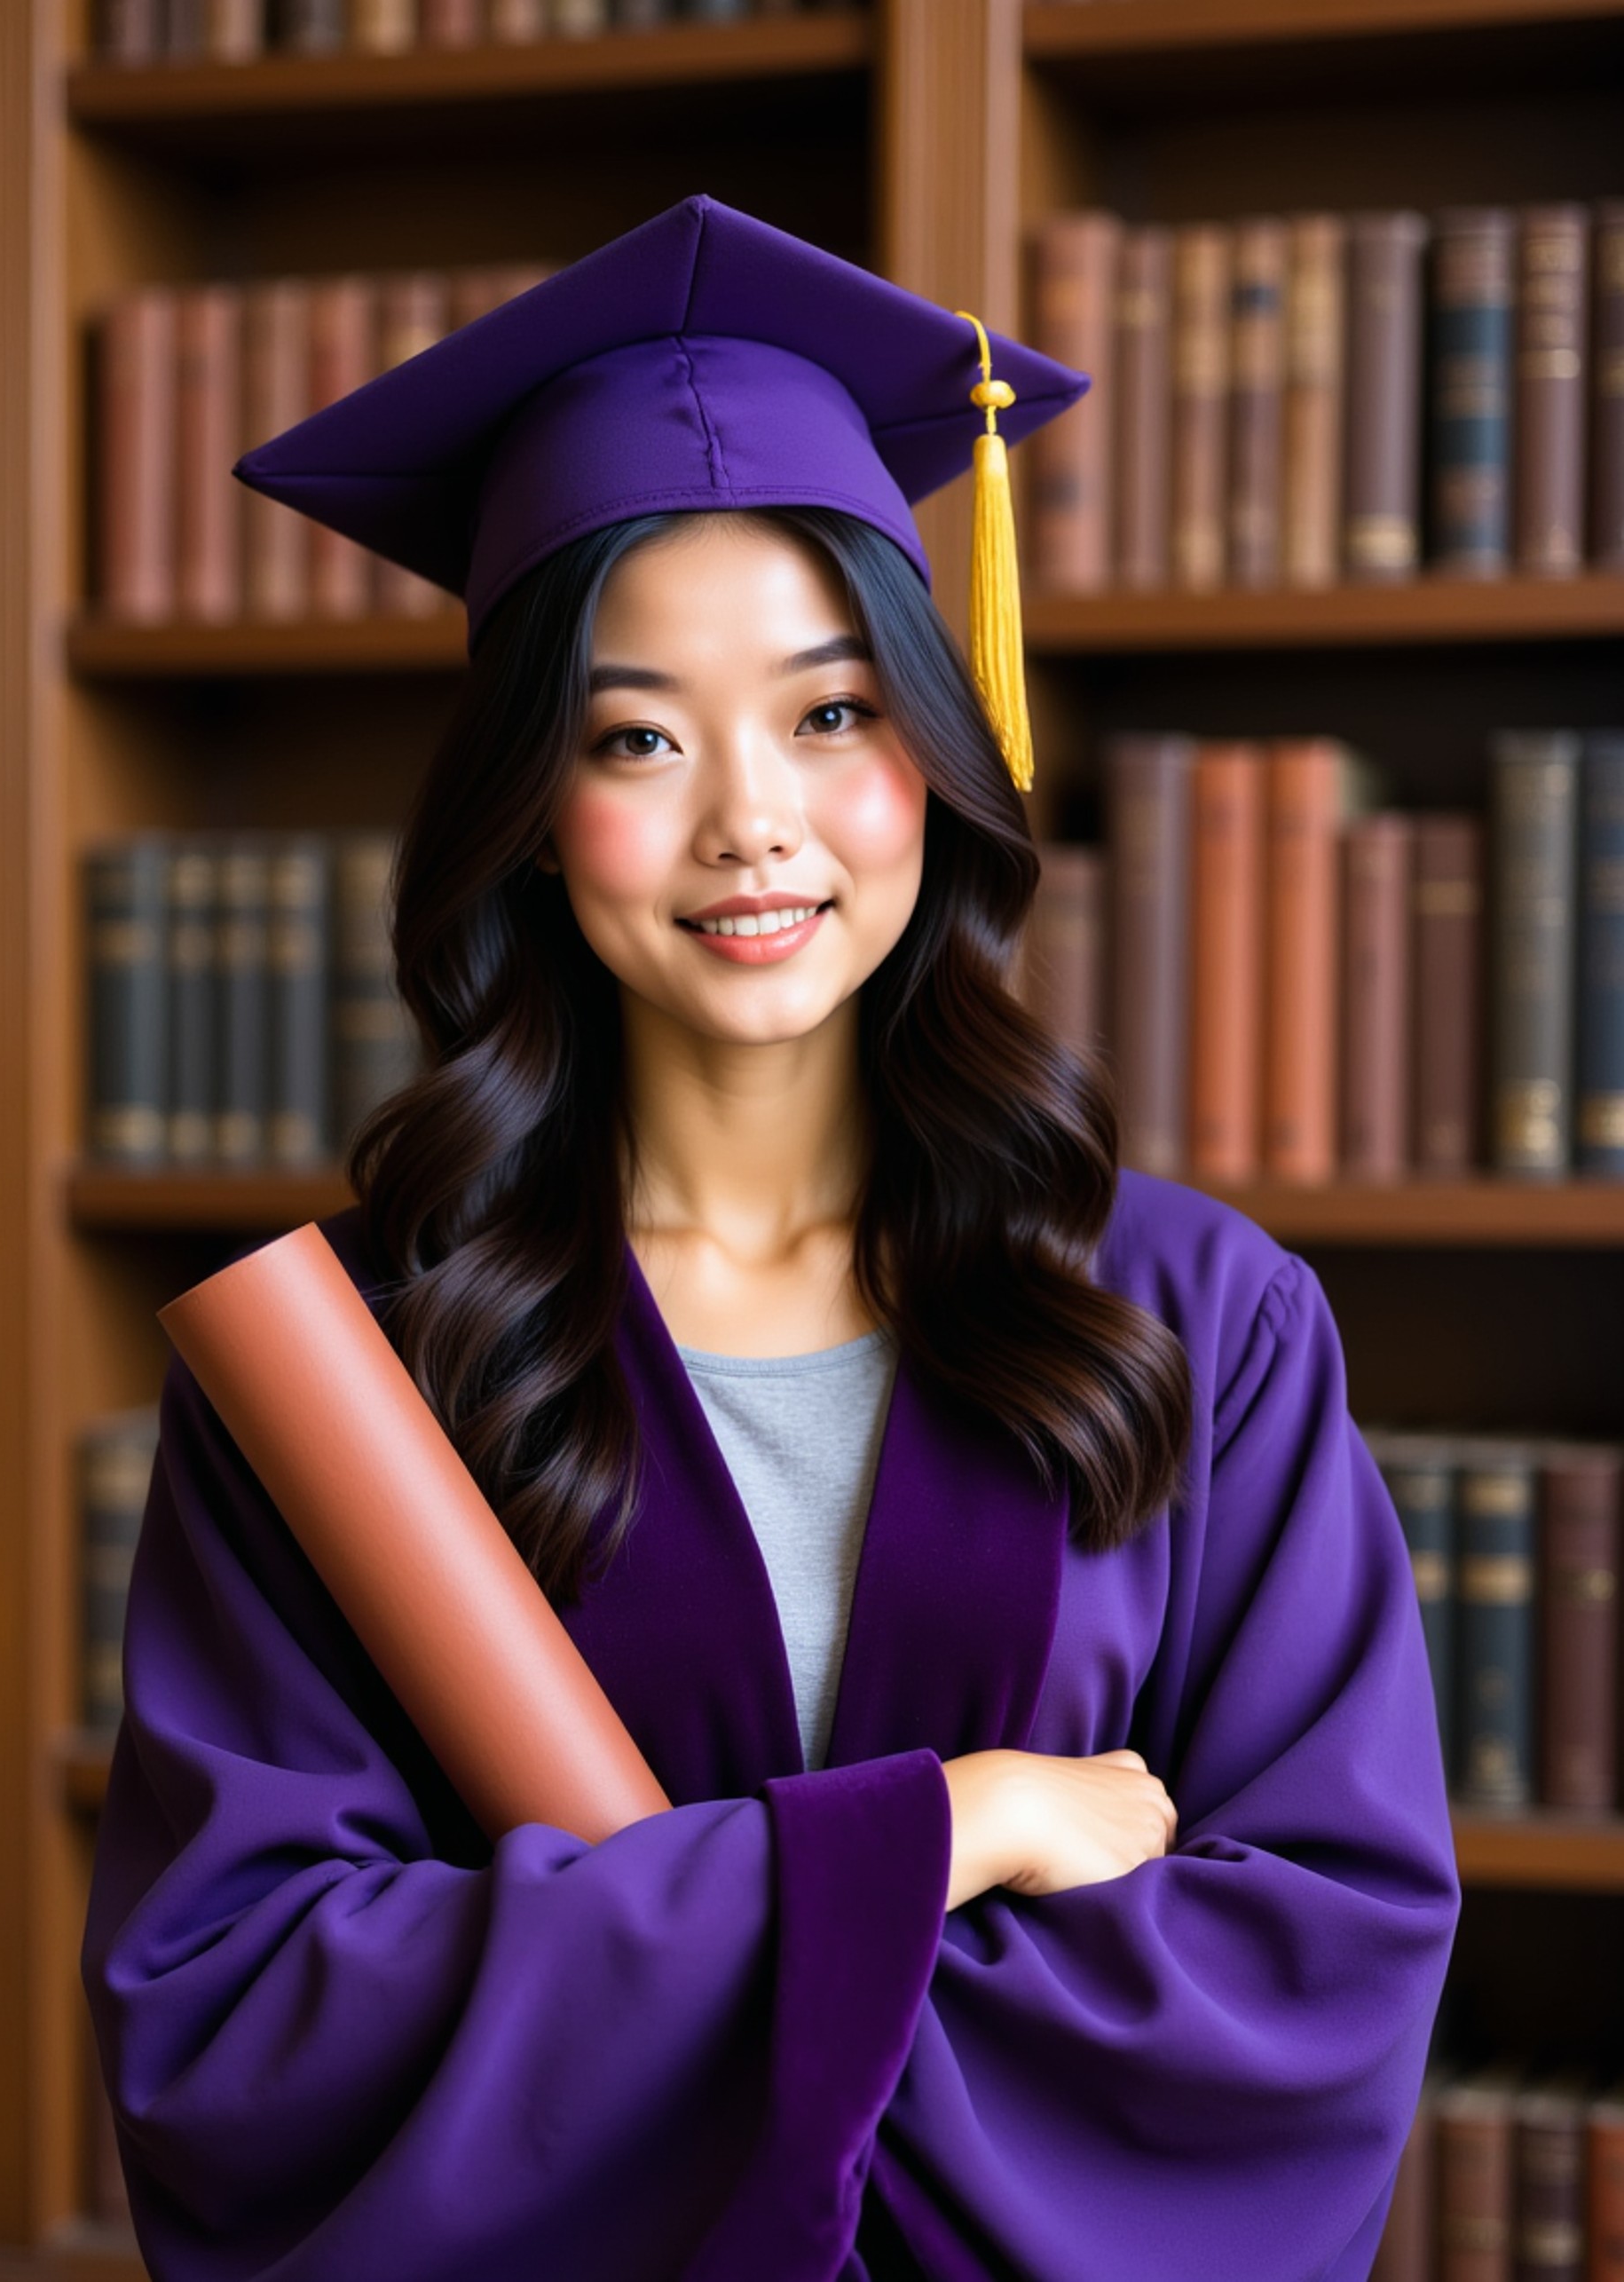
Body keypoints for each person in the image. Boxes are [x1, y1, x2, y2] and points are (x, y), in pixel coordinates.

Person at [82, 195, 1460, 2281]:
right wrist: (955, 1826)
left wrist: (677, 2001)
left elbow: (1312, 1962)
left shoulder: (1189, 1314)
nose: (753, 820)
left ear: (937, 741)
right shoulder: (360, 1375)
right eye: (637, 735)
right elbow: (249, 2013)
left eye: (830, 714)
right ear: (534, 808)